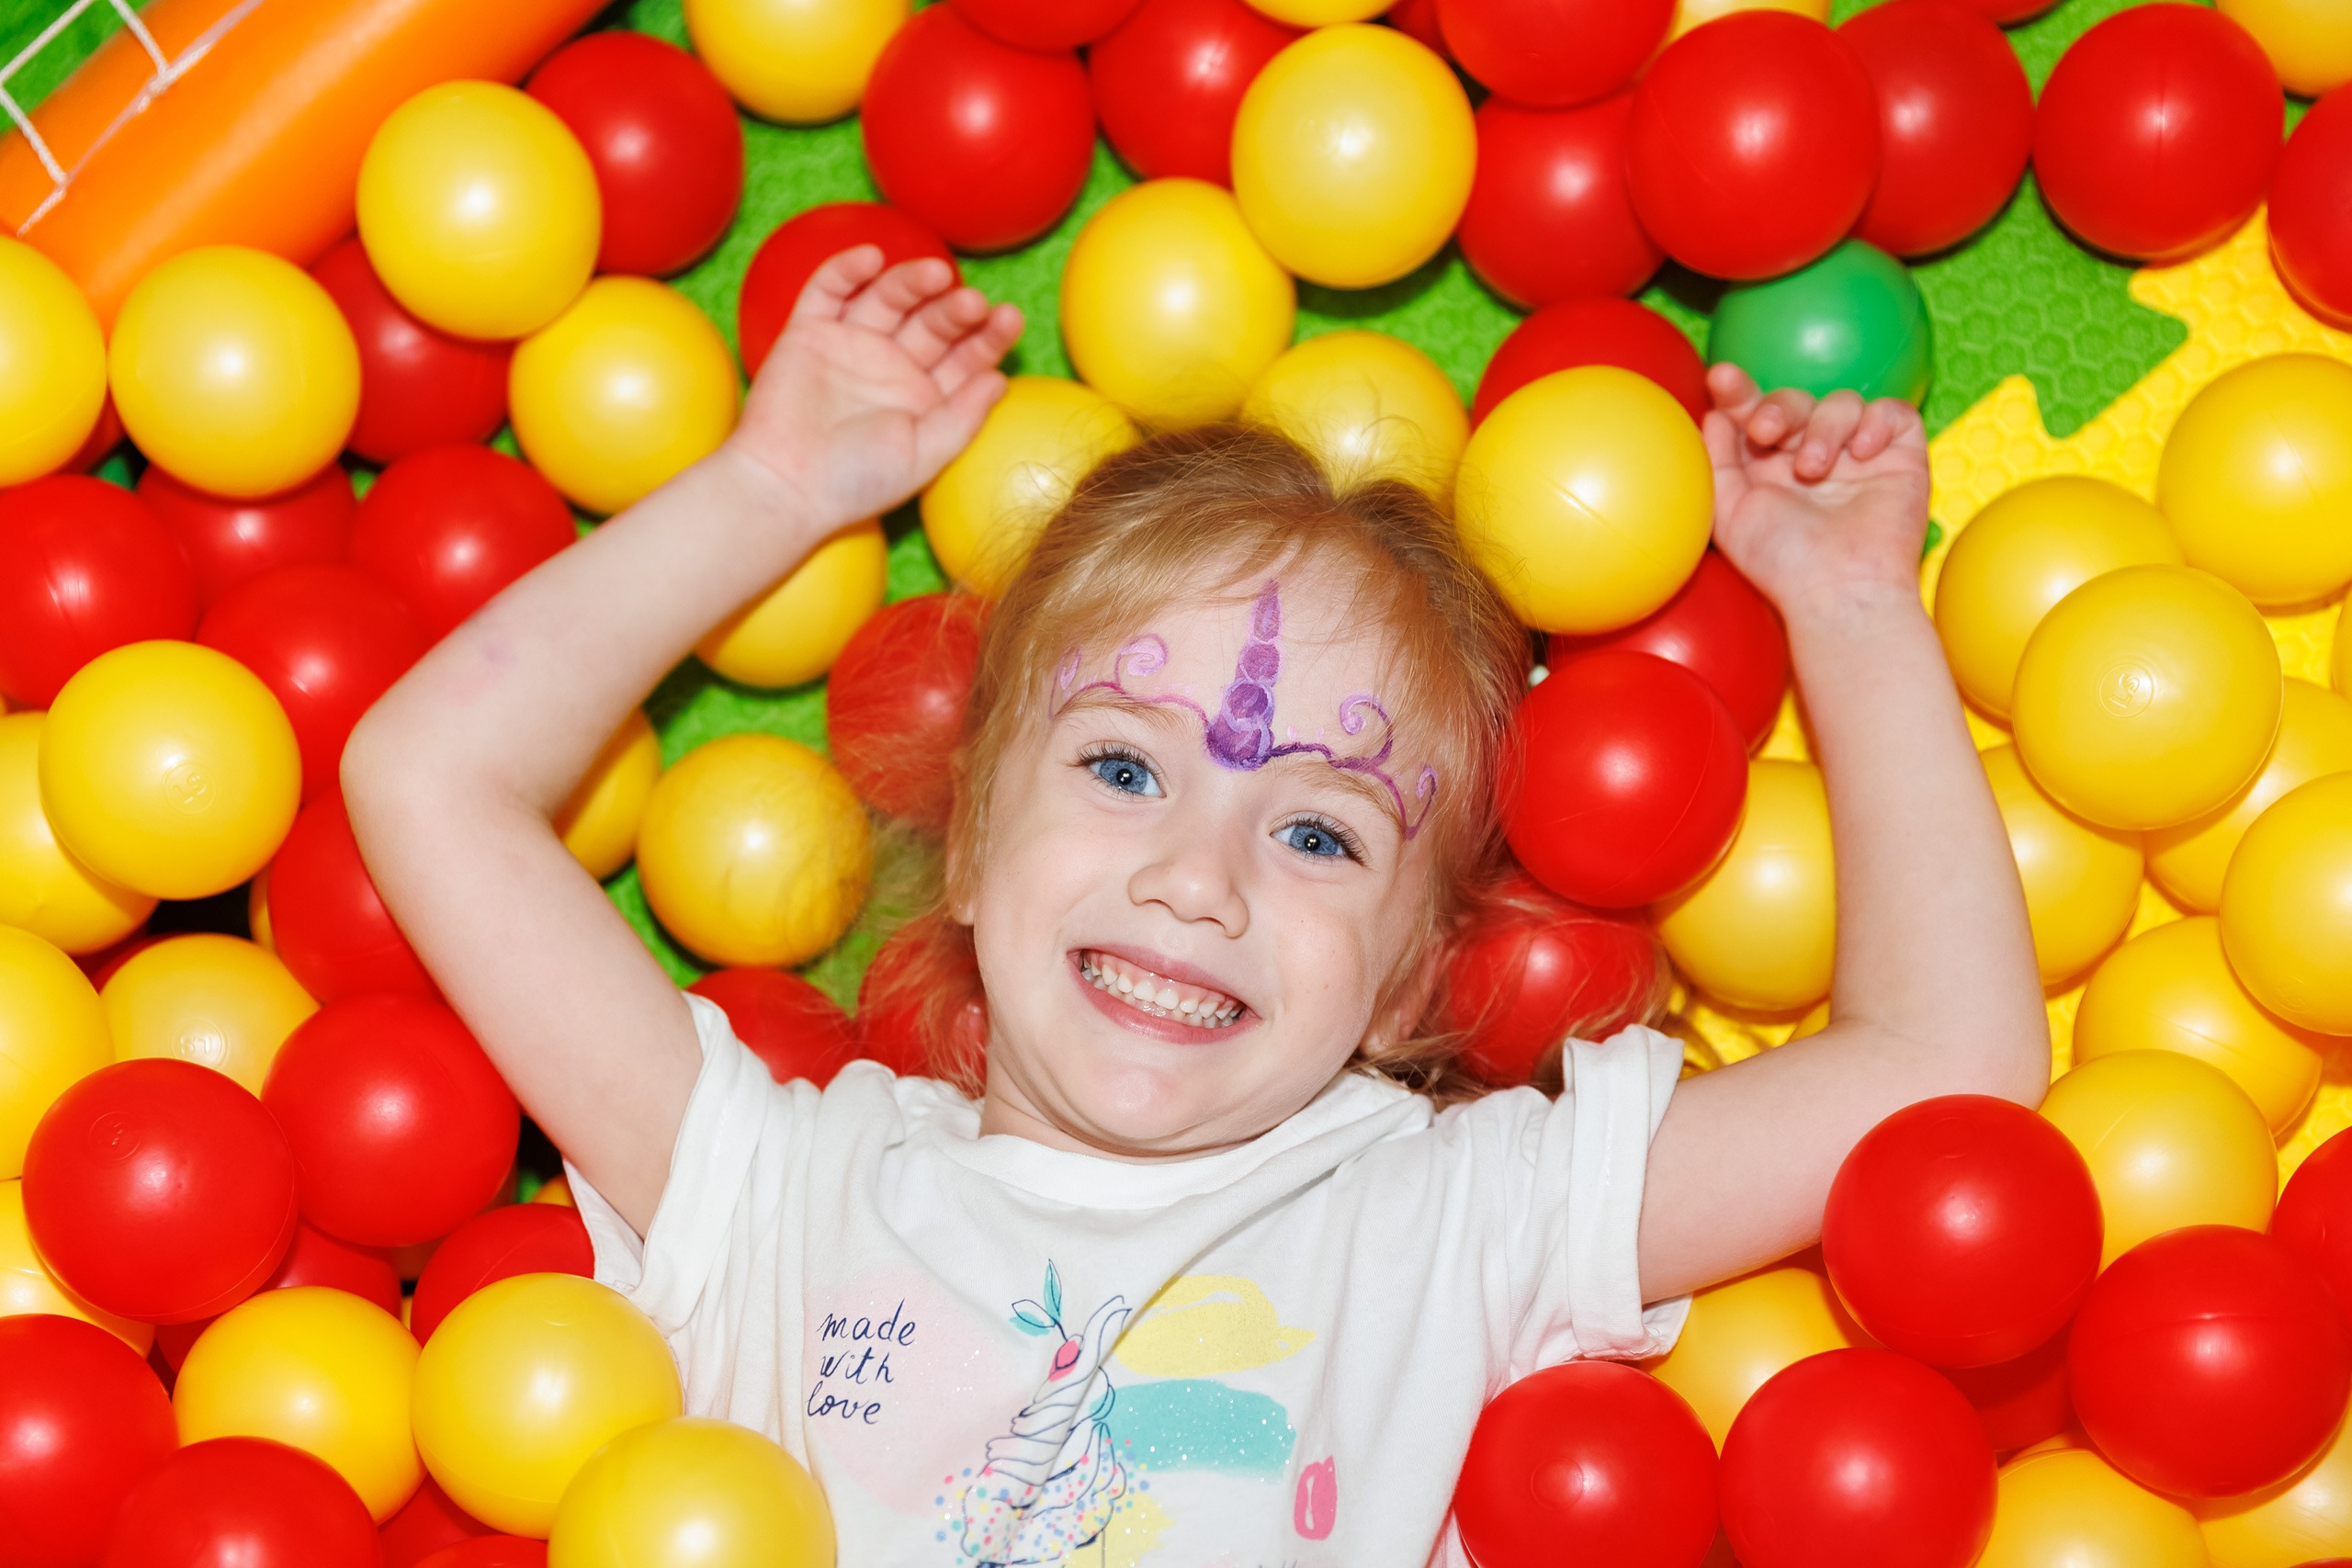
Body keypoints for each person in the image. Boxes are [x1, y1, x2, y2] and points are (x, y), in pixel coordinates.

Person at [345, 251, 2046, 1564]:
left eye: (1319, 837)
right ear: (976, 827)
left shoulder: (1452, 1214)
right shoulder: (773, 1188)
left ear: (1405, 984)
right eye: (1125, 771)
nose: (1198, 878)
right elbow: (429, 780)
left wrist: (1849, 609)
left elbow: (1945, 1074)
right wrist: (774, 488)